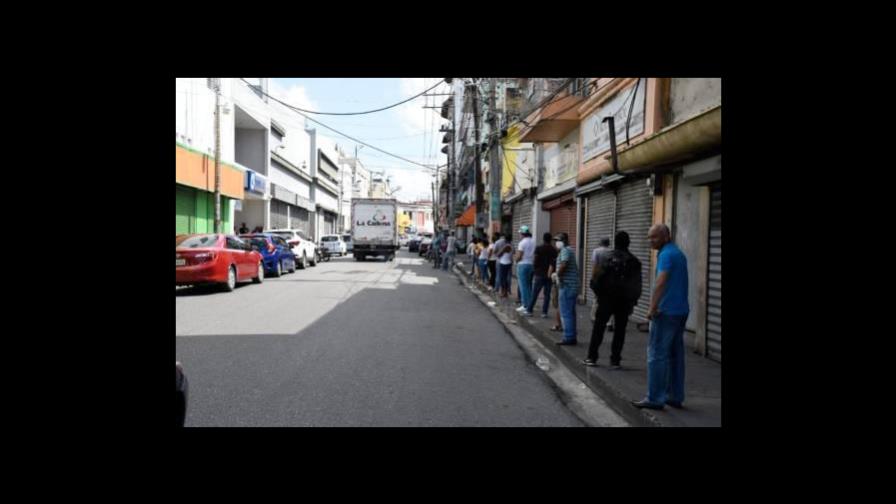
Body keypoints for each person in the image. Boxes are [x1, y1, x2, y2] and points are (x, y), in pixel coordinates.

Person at [632, 224, 690, 410]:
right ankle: (675, 395)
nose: (650, 241)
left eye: (654, 237)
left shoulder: (666, 255)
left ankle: (655, 398)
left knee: (657, 354)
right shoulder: (678, 253)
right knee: (674, 355)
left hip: (665, 312)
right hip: (680, 311)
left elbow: (661, 281)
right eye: (649, 237)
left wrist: (651, 308)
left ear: (666, 237)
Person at [584, 231, 642, 370]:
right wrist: (633, 301)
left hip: (606, 299)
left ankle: (592, 357)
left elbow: (595, 279)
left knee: (598, 328)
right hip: (624, 301)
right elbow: (637, 285)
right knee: (620, 331)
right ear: (628, 243)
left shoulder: (605, 258)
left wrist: (599, 294)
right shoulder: (634, 261)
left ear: (615, 242)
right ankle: (615, 360)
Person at [552, 232, 579, 346]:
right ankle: (571, 336)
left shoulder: (565, 251)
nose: (556, 243)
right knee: (570, 313)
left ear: (563, 241)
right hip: (570, 285)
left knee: (566, 313)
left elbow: (564, 264)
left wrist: (557, 275)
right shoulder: (568, 250)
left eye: (558, 241)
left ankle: (568, 337)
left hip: (567, 286)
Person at [528, 232, 558, 319]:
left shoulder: (539, 248)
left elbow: (535, 260)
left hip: (539, 273)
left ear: (543, 239)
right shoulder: (554, 250)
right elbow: (554, 263)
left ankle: (530, 310)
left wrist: (534, 269)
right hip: (549, 274)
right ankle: (544, 312)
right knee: (547, 294)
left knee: (535, 293)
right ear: (550, 239)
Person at [514, 226, 536, 316]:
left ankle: (525, 305)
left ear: (522, 233)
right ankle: (530, 305)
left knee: (523, 286)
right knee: (529, 286)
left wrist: (515, 259)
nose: (519, 235)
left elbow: (519, 255)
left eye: (520, 233)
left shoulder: (522, 243)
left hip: (523, 265)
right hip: (531, 264)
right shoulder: (533, 241)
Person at [590, 237, 611, 323]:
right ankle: (609, 322)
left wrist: (593, 277)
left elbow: (595, 265)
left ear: (600, 242)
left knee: (597, 298)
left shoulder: (596, 251)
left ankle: (594, 317)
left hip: (599, 277)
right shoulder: (611, 252)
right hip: (609, 278)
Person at [497, 233, 514, 298]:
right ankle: (505, 292)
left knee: (502, 278)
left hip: (504, 263)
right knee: (506, 278)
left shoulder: (506, 246)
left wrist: (500, 251)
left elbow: (499, 254)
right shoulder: (512, 245)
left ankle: (504, 292)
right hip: (509, 263)